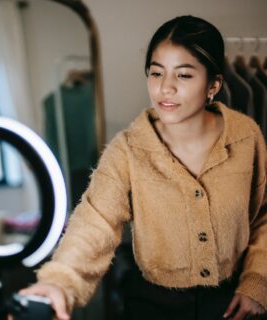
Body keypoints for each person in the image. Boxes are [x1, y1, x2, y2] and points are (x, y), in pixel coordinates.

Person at [19, 15, 267, 320]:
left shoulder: (246, 138)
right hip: (153, 306)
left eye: (184, 75)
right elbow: (94, 223)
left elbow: (263, 218)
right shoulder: (128, 149)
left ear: (213, 84)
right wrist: (59, 282)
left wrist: (258, 282)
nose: (165, 88)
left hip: (232, 305)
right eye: (156, 72)